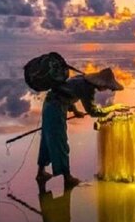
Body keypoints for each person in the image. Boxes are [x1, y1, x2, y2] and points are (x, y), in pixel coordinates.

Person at [37, 59, 127, 187]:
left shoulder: (81, 79)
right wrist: (114, 107)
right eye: (107, 87)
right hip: (55, 108)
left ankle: (41, 173)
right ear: (101, 84)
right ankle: (67, 178)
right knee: (60, 142)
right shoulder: (88, 89)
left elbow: (65, 92)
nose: (107, 89)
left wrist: (74, 110)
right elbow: (94, 112)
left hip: (50, 105)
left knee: (46, 140)